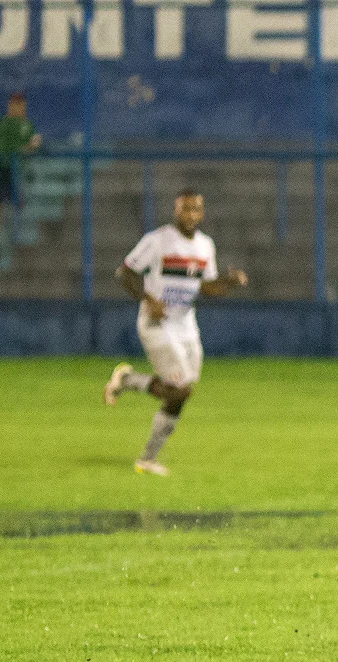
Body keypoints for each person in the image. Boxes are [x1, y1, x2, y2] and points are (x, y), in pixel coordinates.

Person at [103, 190, 248, 475]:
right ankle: (146, 459)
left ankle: (127, 380)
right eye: (186, 209)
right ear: (176, 210)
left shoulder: (206, 246)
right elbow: (125, 273)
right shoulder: (157, 241)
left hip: (185, 324)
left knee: (182, 389)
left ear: (202, 213)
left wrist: (229, 283)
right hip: (157, 324)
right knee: (180, 390)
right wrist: (148, 300)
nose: (191, 214)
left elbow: (205, 287)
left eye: (196, 209)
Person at [0, 92, 41, 245]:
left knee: (16, 201)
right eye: (14, 104)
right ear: (9, 105)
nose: (17, 108)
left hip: (16, 169)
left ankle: (17, 233)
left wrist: (29, 147)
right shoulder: (0, 123)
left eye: (20, 105)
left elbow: (33, 145)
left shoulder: (27, 125)